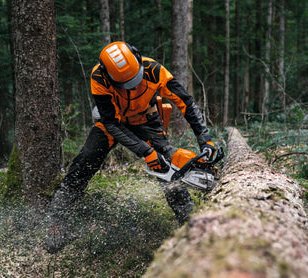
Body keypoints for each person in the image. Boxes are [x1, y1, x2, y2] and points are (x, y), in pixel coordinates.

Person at [46, 41, 216, 253]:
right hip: (112, 123)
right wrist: (146, 152)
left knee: (166, 164)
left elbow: (186, 102)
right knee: (85, 161)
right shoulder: (99, 77)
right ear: (108, 75)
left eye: (135, 80)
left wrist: (205, 138)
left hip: (145, 117)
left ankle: (189, 222)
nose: (133, 85)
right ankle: (56, 225)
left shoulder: (154, 70)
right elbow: (110, 122)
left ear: (138, 57)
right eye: (126, 83)